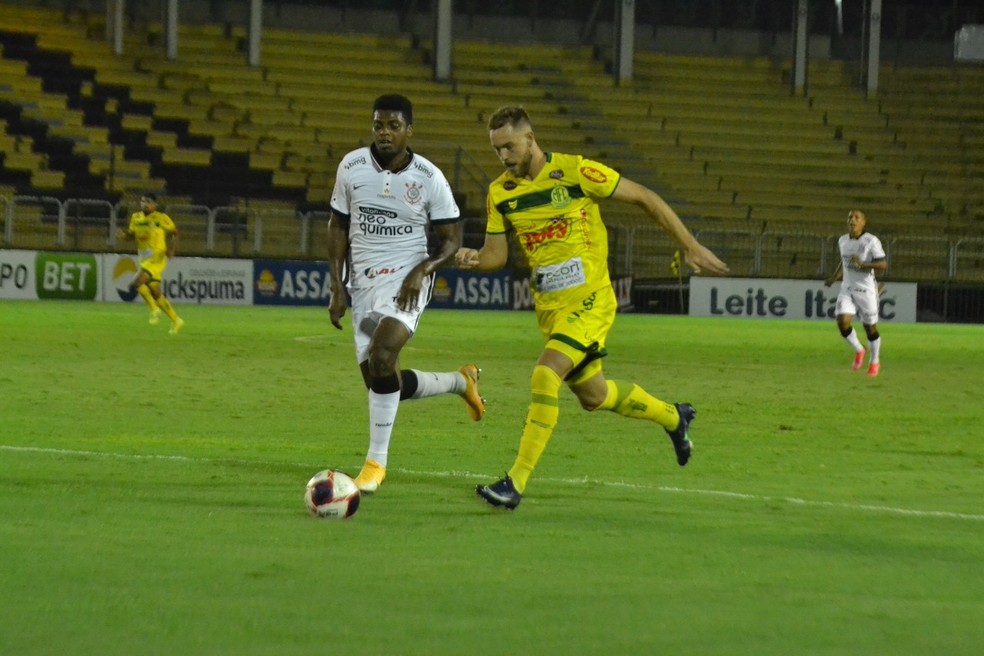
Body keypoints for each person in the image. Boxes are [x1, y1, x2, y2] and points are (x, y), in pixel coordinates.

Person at [455, 106, 730, 510]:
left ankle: (515, 482)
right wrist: (474, 259)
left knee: (545, 373)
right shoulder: (501, 192)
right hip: (550, 310)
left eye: (509, 147)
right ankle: (674, 417)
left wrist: (689, 245)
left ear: (530, 138)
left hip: (591, 300)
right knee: (594, 396)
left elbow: (645, 197)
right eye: (497, 150)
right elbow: (495, 255)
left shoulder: (576, 172)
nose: (503, 157)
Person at [327, 93, 485, 494]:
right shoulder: (351, 167)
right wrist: (336, 285)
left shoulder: (429, 177)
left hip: (406, 281)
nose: (385, 133)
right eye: (378, 125)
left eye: (393, 126)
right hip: (363, 284)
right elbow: (338, 226)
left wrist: (422, 270)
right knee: (381, 380)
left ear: (409, 130)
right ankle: (459, 382)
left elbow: (451, 240)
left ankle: (375, 465)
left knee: (382, 356)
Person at [824, 209, 887, 377]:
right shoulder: (842, 240)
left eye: (856, 218)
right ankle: (859, 350)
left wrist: (863, 265)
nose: (852, 220)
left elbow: (882, 265)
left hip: (866, 290)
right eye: (850, 217)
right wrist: (834, 277)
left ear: (863, 223)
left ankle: (874, 360)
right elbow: (844, 262)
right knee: (842, 322)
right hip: (848, 288)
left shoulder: (871, 241)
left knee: (870, 328)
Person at [117, 193, 184, 335]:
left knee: (137, 282)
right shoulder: (136, 217)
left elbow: (175, 233)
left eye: (148, 202)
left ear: (155, 205)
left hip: (157, 257)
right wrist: (125, 236)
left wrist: (172, 249)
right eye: (142, 201)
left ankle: (154, 310)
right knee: (155, 291)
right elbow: (132, 235)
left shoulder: (161, 218)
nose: (145, 204)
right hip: (144, 259)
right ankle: (176, 320)